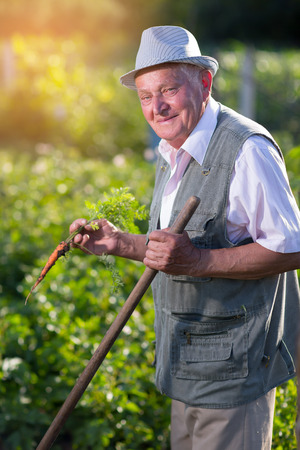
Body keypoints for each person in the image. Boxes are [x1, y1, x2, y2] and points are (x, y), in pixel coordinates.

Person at [70, 26, 300, 449]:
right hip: (186, 368)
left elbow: (290, 248)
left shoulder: (246, 149)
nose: (156, 107)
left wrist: (198, 262)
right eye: (145, 96)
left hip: (233, 377)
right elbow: (177, 248)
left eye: (169, 89)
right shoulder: (174, 146)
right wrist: (120, 243)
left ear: (204, 82)